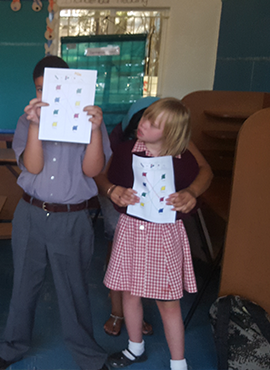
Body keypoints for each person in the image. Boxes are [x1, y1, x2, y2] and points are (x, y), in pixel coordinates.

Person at [0, 56, 109, 370]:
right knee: (24, 285)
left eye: (53, 88)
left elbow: (93, 169)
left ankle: (87, 355)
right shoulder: (28, 122)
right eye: (40, 88)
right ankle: (12, 346)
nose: (46, 95)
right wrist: (37, 125)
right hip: (31, 214)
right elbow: (34, 166)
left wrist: (94, 131)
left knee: (74, 289)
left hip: (72, 217)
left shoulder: (90, 121)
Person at [100, 98, 204, 370]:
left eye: (152, 123)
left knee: (168, 302)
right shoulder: (125, 152)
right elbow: (103, 177)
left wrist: (190, 195)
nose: (142, 124)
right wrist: (113, 190)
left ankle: (178, 362)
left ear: (170, 133)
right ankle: (135, 347)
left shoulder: (183, 160)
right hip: (131, 229)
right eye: (145, 117)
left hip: (165, 234)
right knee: (130, 293)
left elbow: (203, 177)